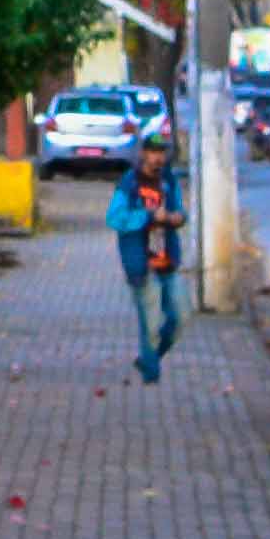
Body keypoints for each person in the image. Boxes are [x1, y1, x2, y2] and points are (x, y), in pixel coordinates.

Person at [116, 122, 187, 379]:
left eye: (162, 152)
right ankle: (151, 377)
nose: (158, 157)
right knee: (151, 323)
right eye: (153, 151)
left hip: (167, 258)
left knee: (179, 317)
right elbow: (116, 217)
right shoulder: (129, 182)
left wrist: (178, 217)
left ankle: (149, 360)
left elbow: (179, 209)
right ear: (143, 153)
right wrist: (147, 216)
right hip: (141, 261)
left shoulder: (169, 180)